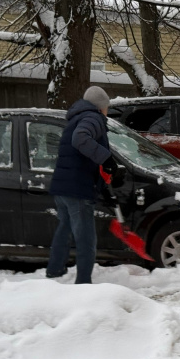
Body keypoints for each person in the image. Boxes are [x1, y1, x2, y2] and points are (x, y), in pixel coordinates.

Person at [46, 86, 119, 283]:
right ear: (100, 106)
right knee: (86, 239)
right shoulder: (92, 118)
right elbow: (81, 139)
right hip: (77, 189)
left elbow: (80, 155)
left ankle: (54, 272)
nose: (107, 111)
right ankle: (83, 284)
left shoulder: (76, 117)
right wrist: (107, 159)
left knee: (64, 230)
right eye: (106, 107)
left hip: (63, 188)